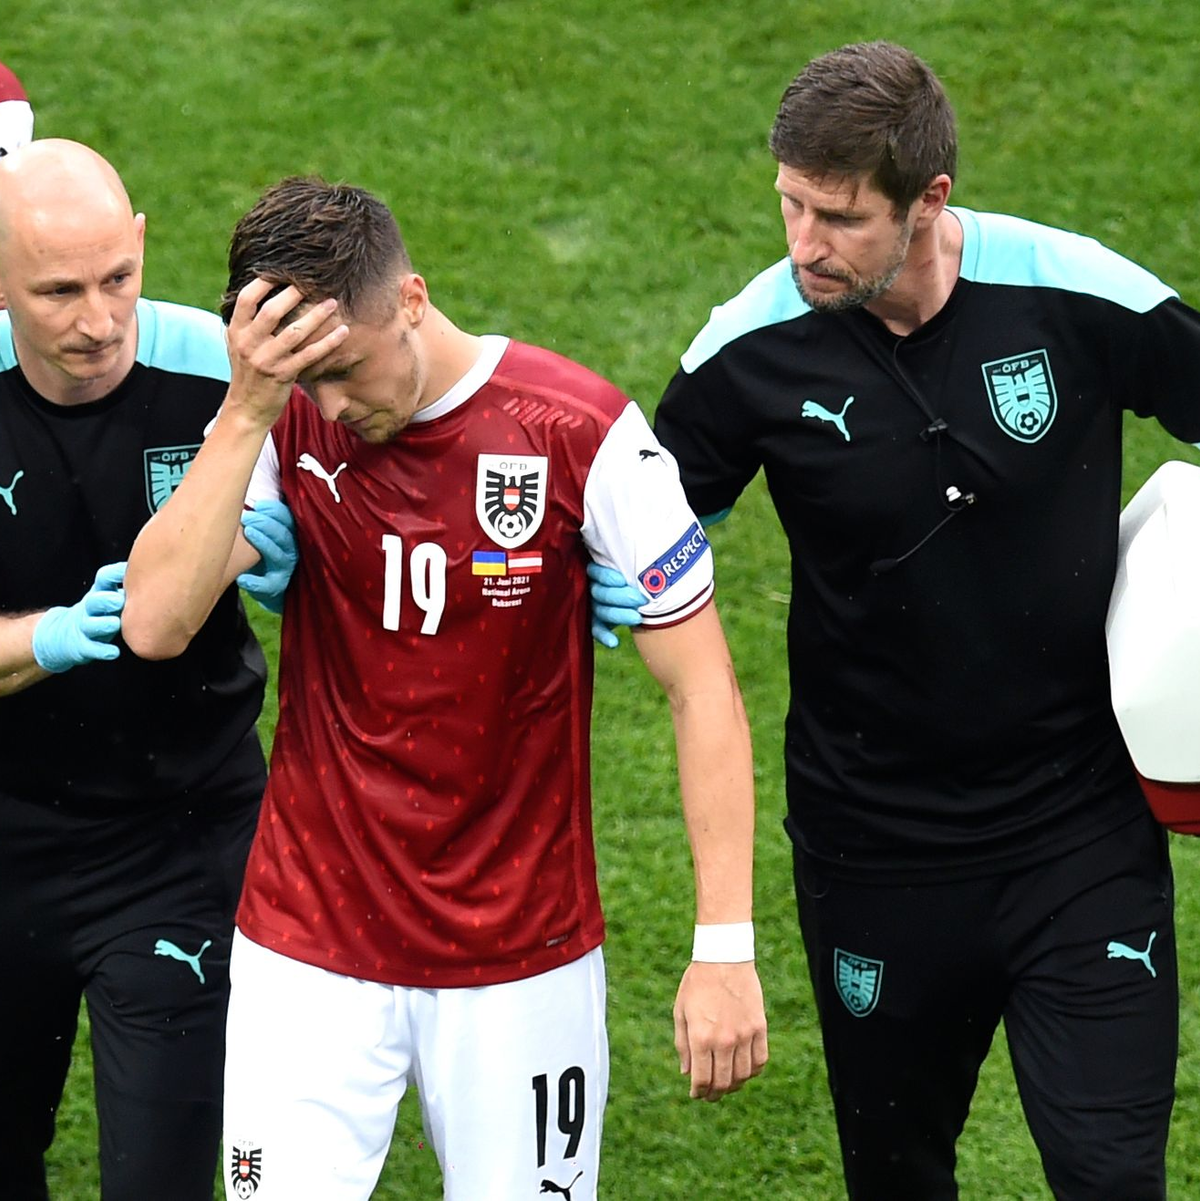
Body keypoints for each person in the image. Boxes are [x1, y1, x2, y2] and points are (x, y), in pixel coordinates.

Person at [600, 39, 1200, 1201]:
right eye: (787, 205)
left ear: (930, 202)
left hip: (1078, 835)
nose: (802, 246)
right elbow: (634, 544)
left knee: (1113, 1176)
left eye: (837, 218)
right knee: (896, 1177)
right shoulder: (747, 353)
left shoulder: (1076, 292)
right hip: (873, 851)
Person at [121, 175, 769, 1201]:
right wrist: (249, 411)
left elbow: (704, 692)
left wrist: (725, 945)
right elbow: (154, 621)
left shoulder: (580, 433)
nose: (332, 405)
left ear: (413, 299)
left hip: (522, 956)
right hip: (310, 945)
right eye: (305, 378)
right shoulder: (282, 419)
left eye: (343, 368)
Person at [0, 139, 296, 1201]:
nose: (97, 319)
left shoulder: (225, 375)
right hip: (8, 834)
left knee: (159, 1182)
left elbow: (405, 440)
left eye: (115, 277)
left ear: (138, 246)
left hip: (183, 839)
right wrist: (44, 640)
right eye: (58, 292)